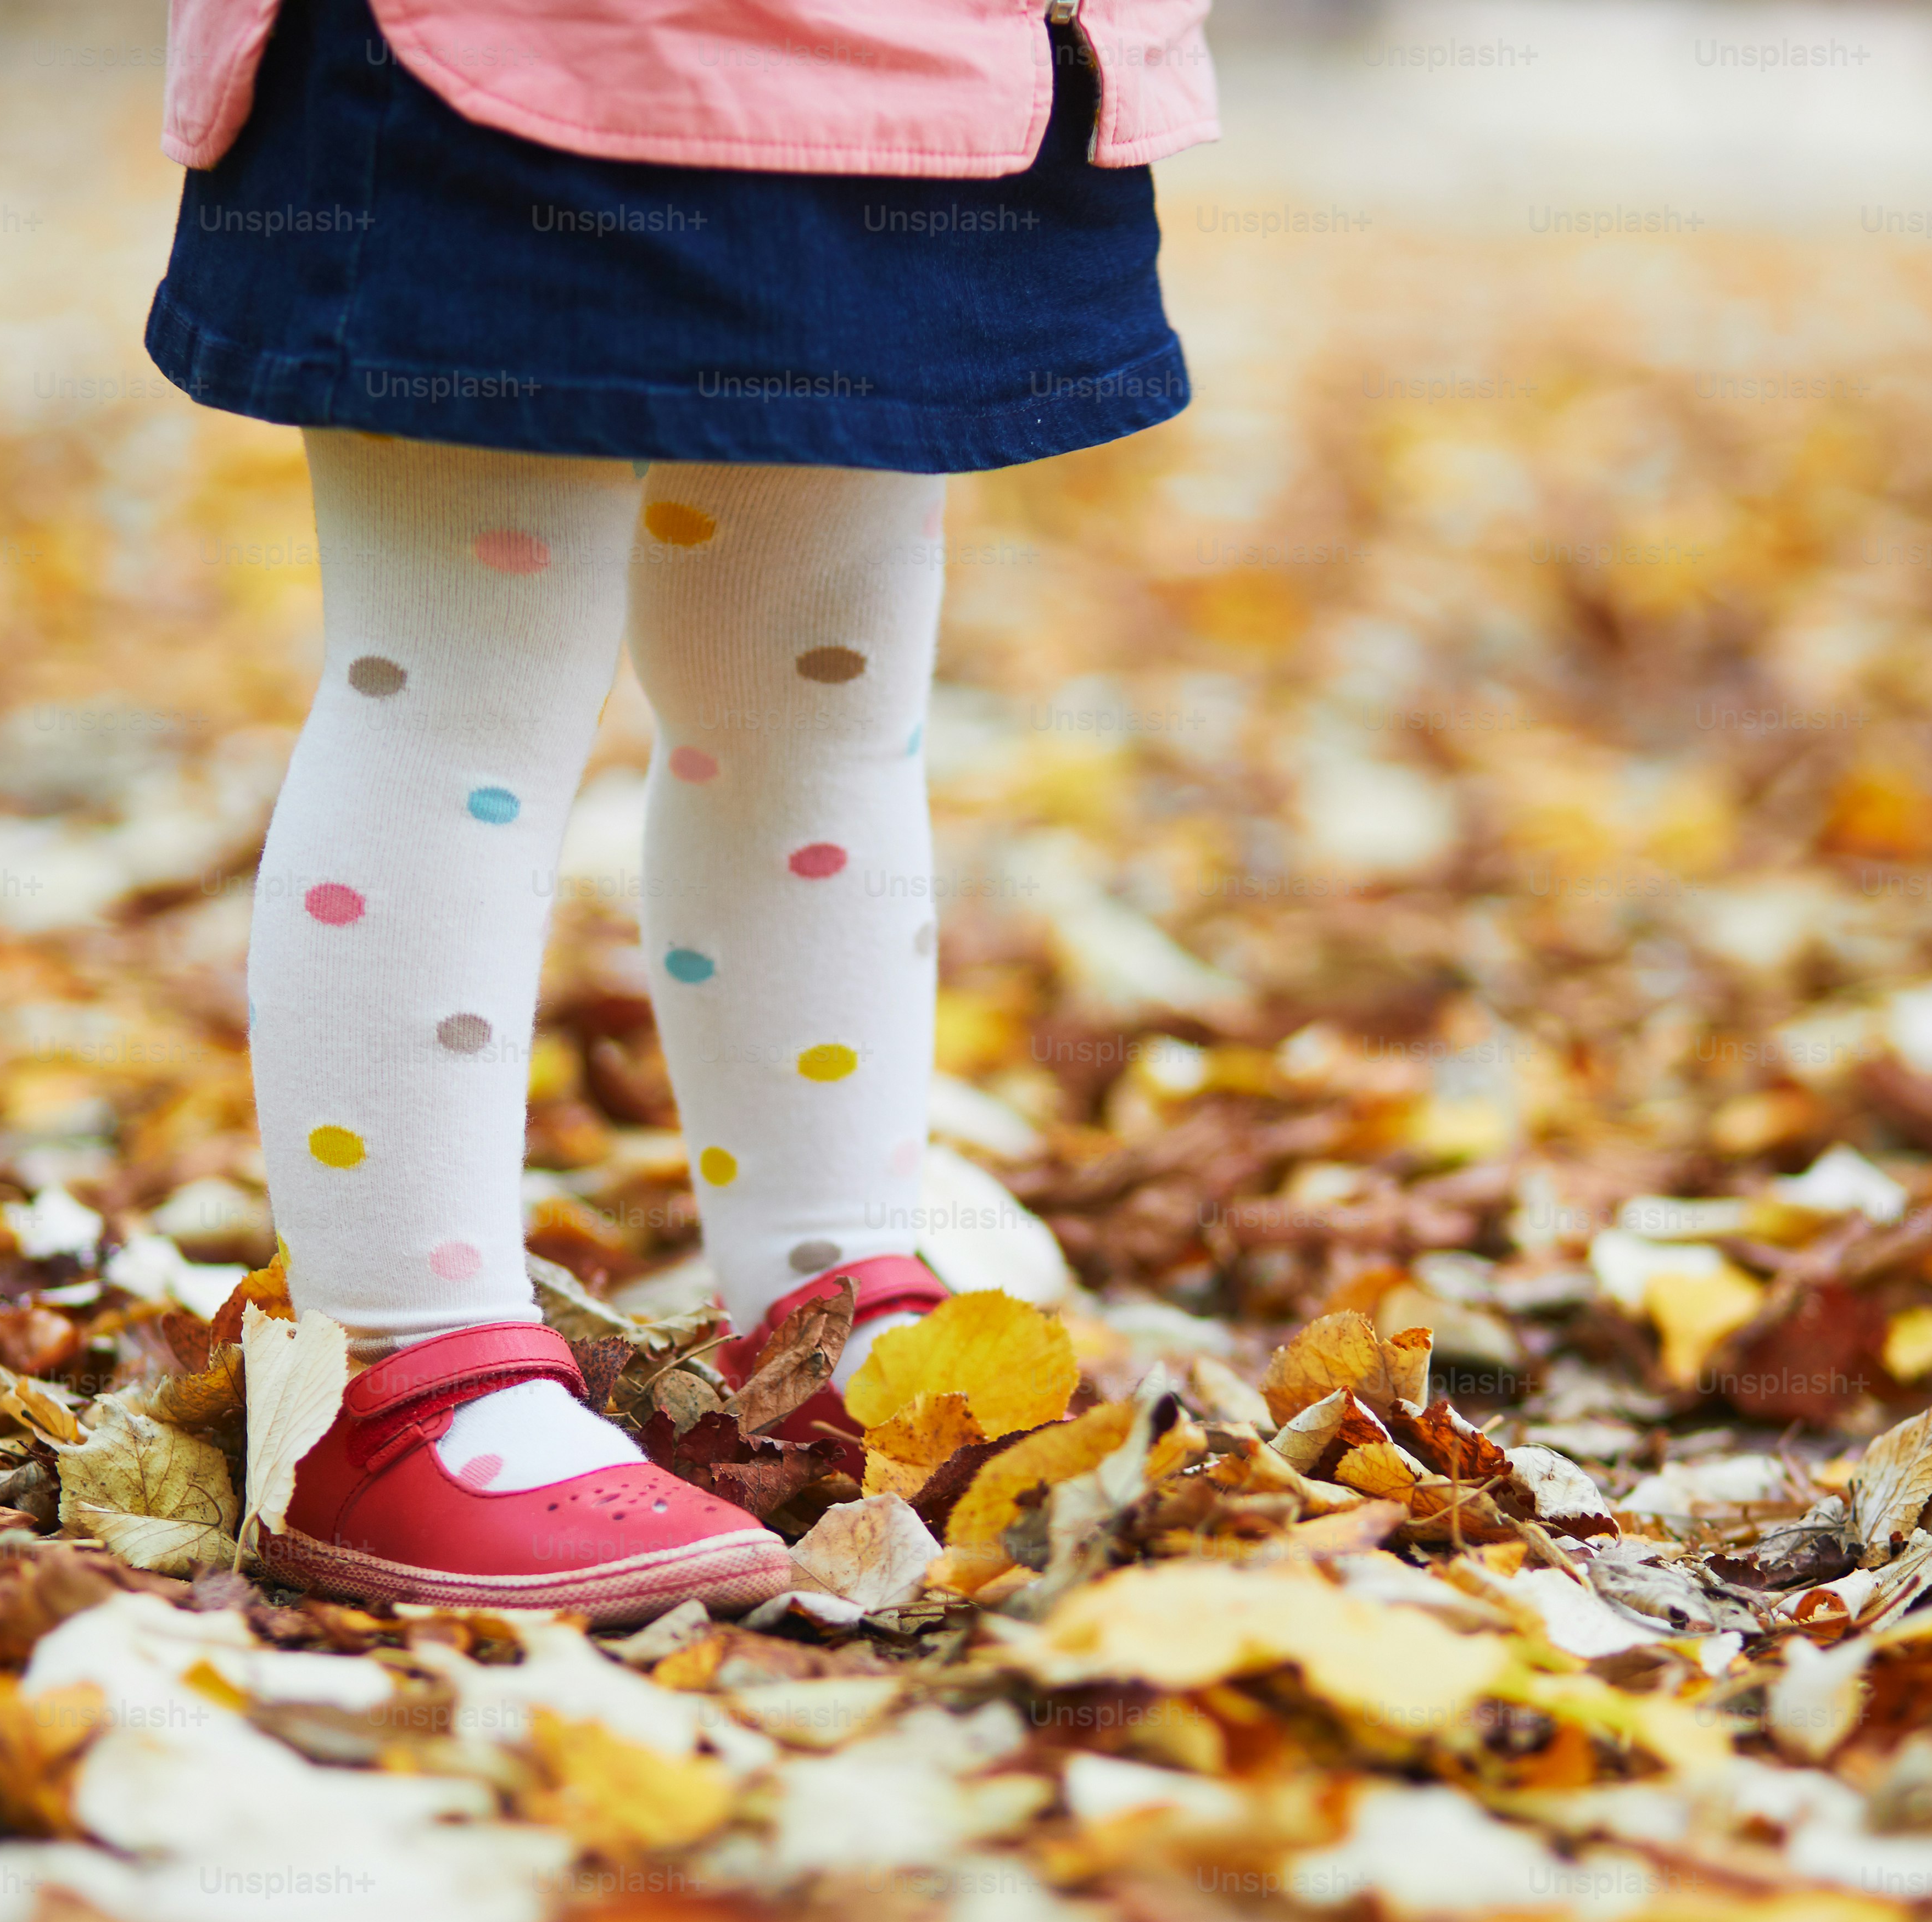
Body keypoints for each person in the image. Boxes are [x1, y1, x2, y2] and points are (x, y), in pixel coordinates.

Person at [148, 0, 1215, 1621]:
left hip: (910, 77)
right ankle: (393, 1371)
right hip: (523, 62)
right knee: (455, 698)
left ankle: (822, 1297)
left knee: (824, 710)